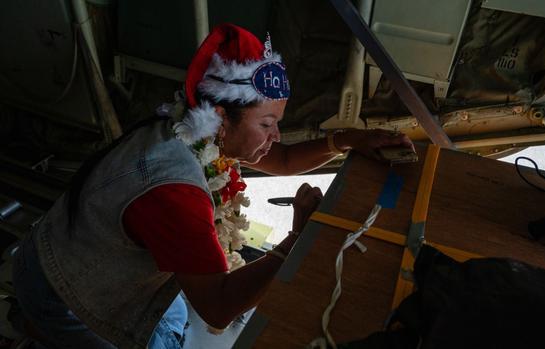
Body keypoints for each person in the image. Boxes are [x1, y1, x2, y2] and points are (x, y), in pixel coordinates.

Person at [12, 23, 412, 349]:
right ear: (221, 117)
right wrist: (297, 239)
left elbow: (285, 160)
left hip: (67, 249)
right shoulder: (175, 190)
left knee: (175, 319)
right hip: (64, 295)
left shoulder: (194, 129)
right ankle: (39, 329)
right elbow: (218, 309)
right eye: (267, 125)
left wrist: (348, 140)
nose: (275, 137)